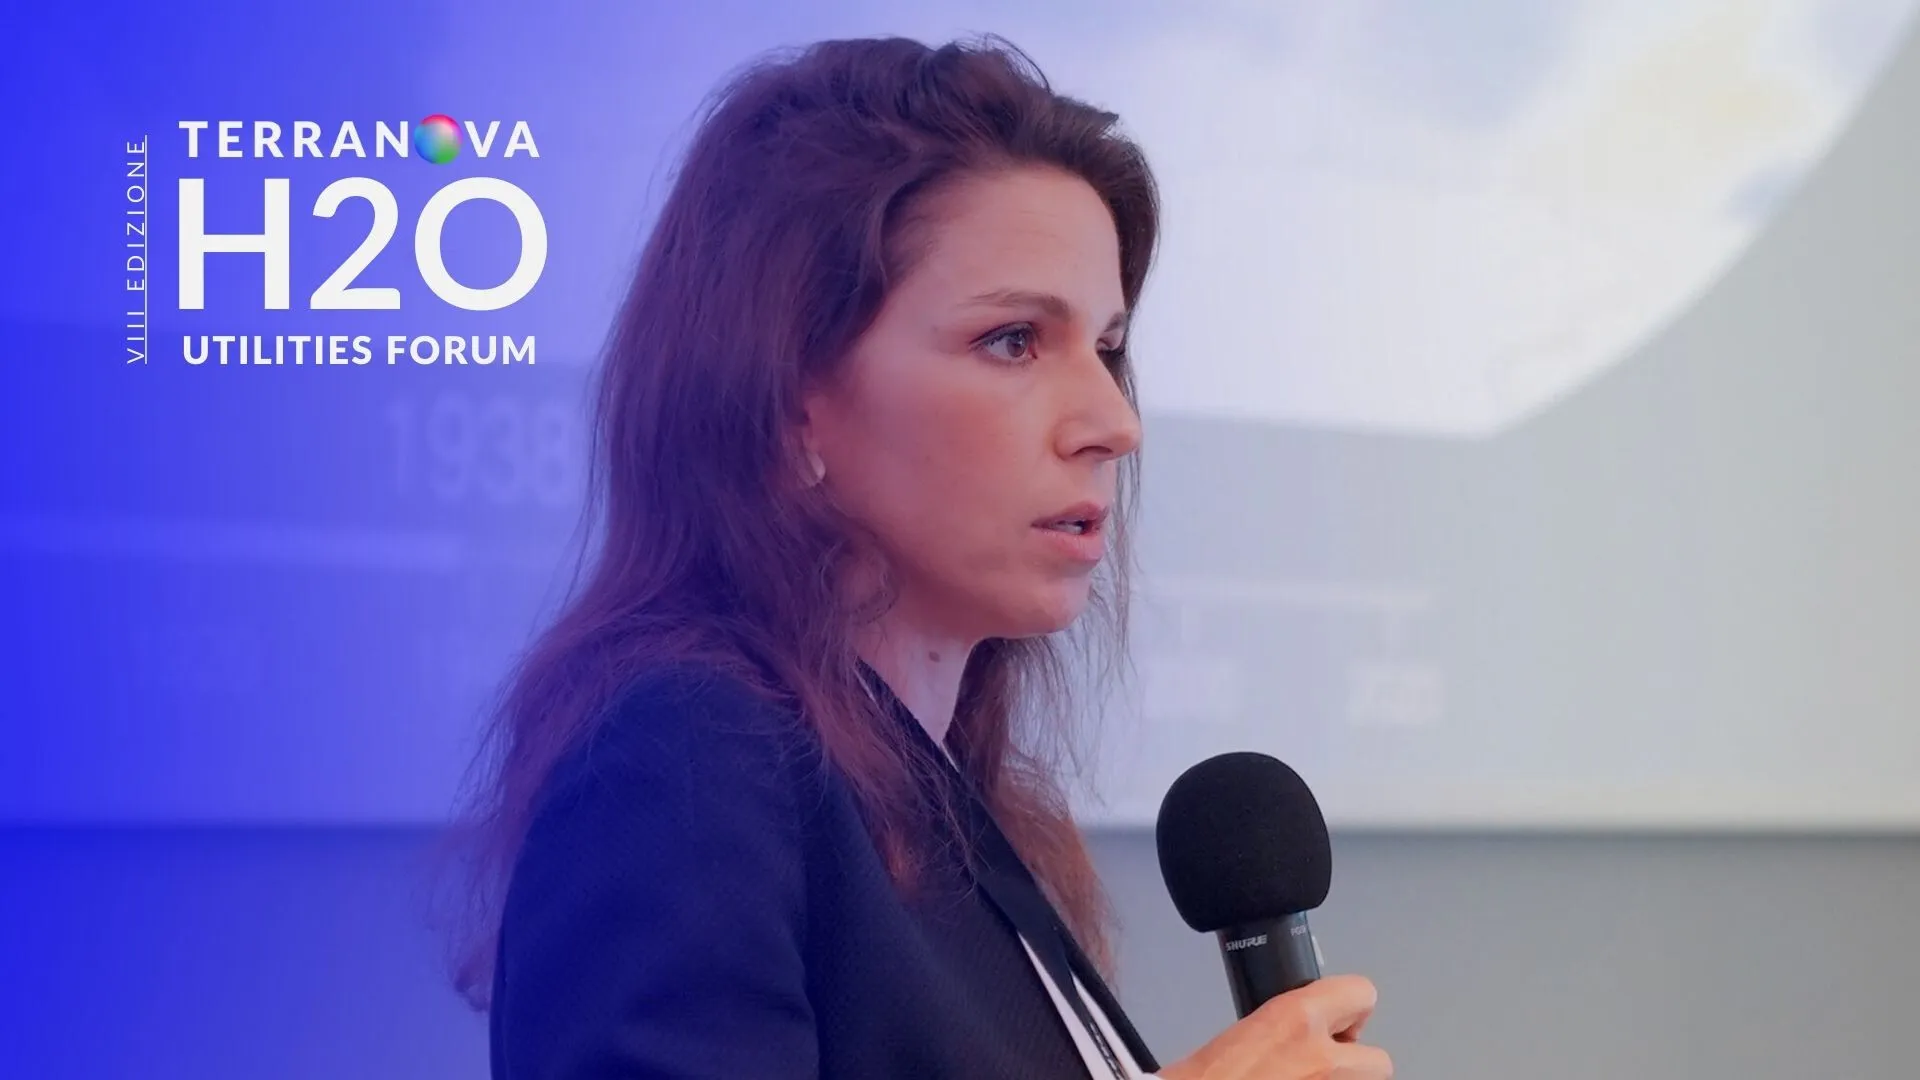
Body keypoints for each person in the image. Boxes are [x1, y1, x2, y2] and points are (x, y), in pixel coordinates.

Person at [442, 33, 1393, 1080]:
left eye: (1108, 348)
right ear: (791, 402)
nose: (1113, 423)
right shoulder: (685, 760)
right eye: (1013, 340)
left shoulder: (938, 814)